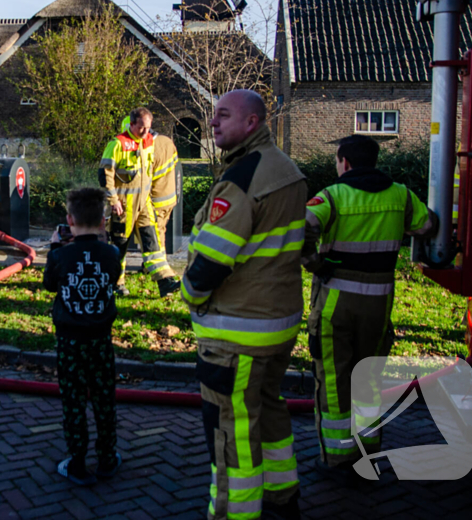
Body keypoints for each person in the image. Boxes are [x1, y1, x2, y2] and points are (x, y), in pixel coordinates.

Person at [181, 90, 305, 520]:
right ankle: (282, 498)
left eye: (224, 116)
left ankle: (236, 513)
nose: (213, 123)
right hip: (278, 324)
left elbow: (211, 262)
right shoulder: (286, 169)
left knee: (231, 434)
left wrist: (190, 297)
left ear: (252, 123)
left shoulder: (243, 178)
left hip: (237, 333)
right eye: (213, 115)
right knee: (268, 410)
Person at [302, 135, 437, 472]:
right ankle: (368, 455)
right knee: (369, 380)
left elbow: (297, 231)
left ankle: (337, 457)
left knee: (334, 381)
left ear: (344, 162)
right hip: (379, 307)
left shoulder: (332, 196)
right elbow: (426, 225)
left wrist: (317, 263)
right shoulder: (401, 196)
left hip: (335, 307)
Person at [43, 187, 123, 486]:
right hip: (101, 339)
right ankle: (107, 458)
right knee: (104, 399)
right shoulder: (112, 253)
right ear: (103, 221)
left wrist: (55, 248)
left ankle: (77, 462)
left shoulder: (61, 255)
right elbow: (113, 275)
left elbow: (50, 285)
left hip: (70, 342)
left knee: (73, 401)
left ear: (69, 220)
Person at [99, 108, 179, 297]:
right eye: (142, 128)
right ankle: (116, 283)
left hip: (144, 204)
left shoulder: (149, 142)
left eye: (149, 128)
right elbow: (105, 174)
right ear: (132, 125)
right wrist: (113, 200)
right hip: (124, 205)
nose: (146, 132)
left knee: (153, 244)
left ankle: (165, 281)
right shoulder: (117, 144)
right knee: (120, 245)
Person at [150, 129, 179, 247]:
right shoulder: (167, 141)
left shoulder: (149, 149)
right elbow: (175, 162)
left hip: (157, 200)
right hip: (170, 196)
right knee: (161, 228)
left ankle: (158, 262)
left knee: (156, 232)